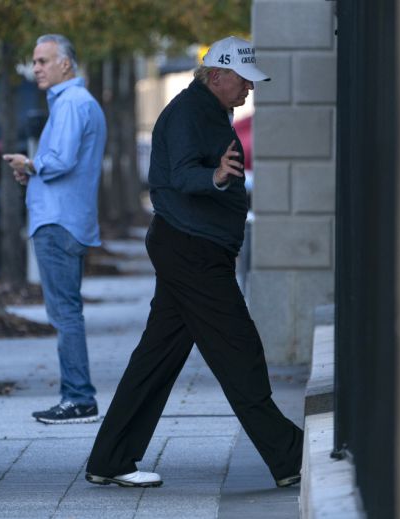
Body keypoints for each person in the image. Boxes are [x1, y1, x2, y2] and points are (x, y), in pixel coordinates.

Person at [84, 36, 303, 489]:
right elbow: (179, 174)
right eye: (244, 81)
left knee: (157, 358)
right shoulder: (188, 112)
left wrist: (217, 180)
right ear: (218, 75)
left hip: (193, 249)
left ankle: (110, 458)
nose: (250, 90)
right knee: (237, 350)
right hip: (192, 251)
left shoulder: (209, 110)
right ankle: (289, 457)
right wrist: (217, 176)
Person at [3, 34, 106, 425]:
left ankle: (79, 398)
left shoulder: (72, 104)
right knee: (67, 312)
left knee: (65, 314)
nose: (36, 69)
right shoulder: (80, 104)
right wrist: (36, 174)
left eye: (44, 61)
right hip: (68, 219)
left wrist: (31, 165)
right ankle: (77, 396)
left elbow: (59, 160)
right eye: (34, 62)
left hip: (58, 223)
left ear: (67, 64)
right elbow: (69, 164)